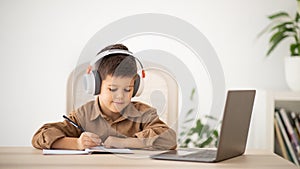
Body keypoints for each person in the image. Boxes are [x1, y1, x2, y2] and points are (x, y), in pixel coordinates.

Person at [32, 44, 177, 150]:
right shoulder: (83, 115)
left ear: (136, 87)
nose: (120, 96)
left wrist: (125, 142)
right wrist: (76, 143)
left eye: (128, 89)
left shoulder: (144, 114)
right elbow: (40, 136)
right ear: (96, 85)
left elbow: (169, 139)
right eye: (112, 89)